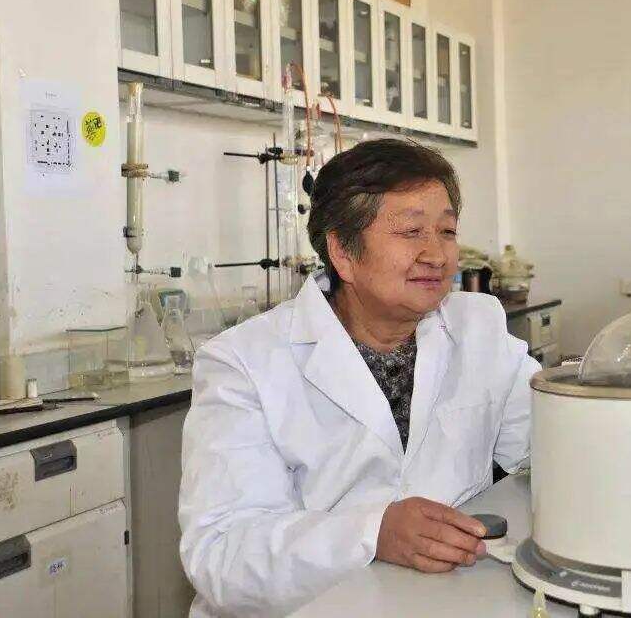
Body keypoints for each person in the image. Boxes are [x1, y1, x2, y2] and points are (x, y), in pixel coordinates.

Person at [179, 139, 538, 617]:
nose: (436, 254)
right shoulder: (243, 363)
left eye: (447, 231)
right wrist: (372, 533)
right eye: (411, 231)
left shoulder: (478, 326)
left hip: (440, 599)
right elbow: (221, 555)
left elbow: (547, 446)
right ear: (343, 253)